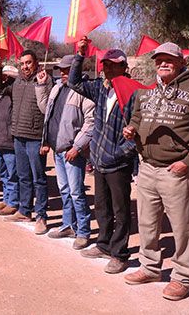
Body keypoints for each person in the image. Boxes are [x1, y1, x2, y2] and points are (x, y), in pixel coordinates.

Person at [123, 42, 189, 301]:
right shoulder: (149, 93)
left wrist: (188, 161)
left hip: (177, 171)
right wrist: (131, 129)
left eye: (169, 60)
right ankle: (150, 267)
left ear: (180, 62)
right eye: (159, 60)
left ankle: (184, 276)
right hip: (147, 168)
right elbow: (137, 117)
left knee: (183, 227)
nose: (163, 63)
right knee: (147, 222)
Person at [68, 38, 137, 274]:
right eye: (105, 65)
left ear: (124, 67)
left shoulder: (133, 91)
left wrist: (121, 154)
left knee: (121, 210)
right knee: (102, 206)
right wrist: (80, 55)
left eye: (113, 65)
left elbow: (136, 132)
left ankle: (120, 254)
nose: (107, 68)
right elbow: (74, 82)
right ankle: (104, 244)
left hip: (118, 162)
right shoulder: (100, 87)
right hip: (99, 160)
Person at [0, 50, 52, 235]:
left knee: (39, 179)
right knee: (23, 177)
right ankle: (25, 211)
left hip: (35, 138)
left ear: (36, 63)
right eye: (23, 63)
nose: (25, 66)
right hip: (18, 137)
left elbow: (49, 111)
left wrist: (46, 139)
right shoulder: (17, 82)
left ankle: (41, 215)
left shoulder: (44, 81)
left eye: (29, 63)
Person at [38, 54, 94, 250]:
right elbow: (46, 111)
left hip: (72, 151)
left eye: (66, 69)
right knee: (65, 190)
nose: (62, 73)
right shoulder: (57, 88)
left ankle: (83, 231)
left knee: (77, 192)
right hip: (58, 149)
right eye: (60, 69)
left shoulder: (83, 91)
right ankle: (68, 224)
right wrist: (42, 87)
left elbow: (91, 122)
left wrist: (77, 147)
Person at [0, 65, 19, 216]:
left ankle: (13, 201)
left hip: (9, 140)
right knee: (3, 172)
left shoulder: (13, 93)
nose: (3, 78)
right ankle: (7, 198)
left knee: (12, 173)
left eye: (6, 76)